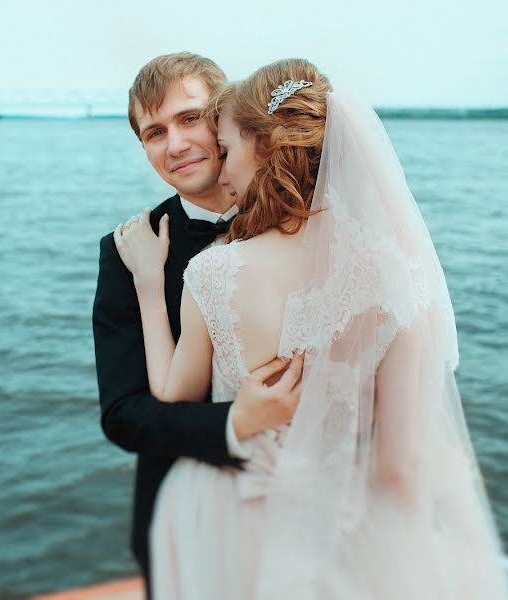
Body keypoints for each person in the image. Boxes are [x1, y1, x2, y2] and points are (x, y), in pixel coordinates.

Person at [115, 58, 508, 599]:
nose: (187, 146)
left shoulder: (212, 270)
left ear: (255, 142)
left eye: (214, 137)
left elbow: (169, 391)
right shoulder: (400, 273)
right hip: (351, 514)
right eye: (155, 132)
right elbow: (400, 466)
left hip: (229, 516)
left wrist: (149, 283)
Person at [91, 52, 304, 593]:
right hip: (182, 522)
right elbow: (123, 413)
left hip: (307, 507)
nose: (176, 144)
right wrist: (234, 423)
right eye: (154, 132)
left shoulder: (306, 218)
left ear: (225, 116)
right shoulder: (128, 250)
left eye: (189, 119)